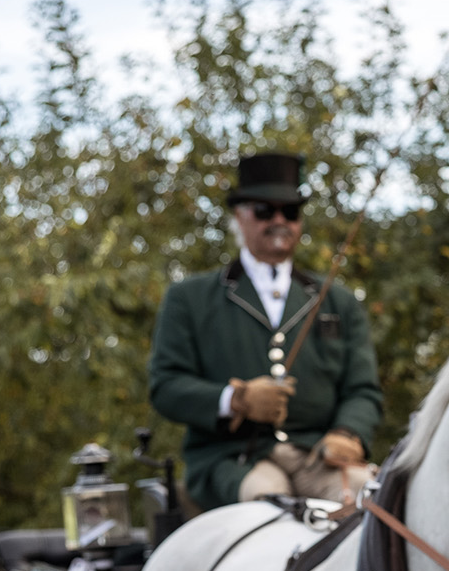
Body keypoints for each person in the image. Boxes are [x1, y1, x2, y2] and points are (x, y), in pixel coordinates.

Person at [147, 152, 382, 510]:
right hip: (235, 459)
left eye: (289, 212)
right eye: (264, 211)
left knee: (374, 502)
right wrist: (234, 400)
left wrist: (348, 433)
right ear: (239, 217)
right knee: (271, 512)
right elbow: (165, 386)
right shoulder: (189, 299)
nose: (278, 221)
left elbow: (362, 390)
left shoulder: (338, 301)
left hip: (318, 456)